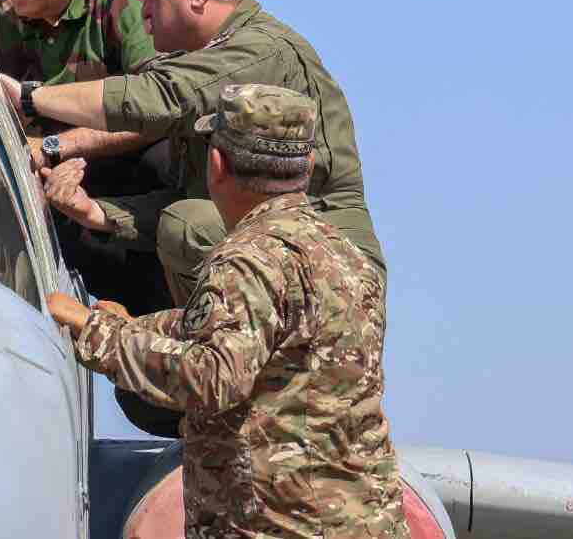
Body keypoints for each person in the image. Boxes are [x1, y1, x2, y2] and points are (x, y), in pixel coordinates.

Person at [47, 84, 406, 538]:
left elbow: (212, 376)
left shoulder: (247, 259)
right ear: (308, 165)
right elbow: (252, 331)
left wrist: (98, 332)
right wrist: (135, 326)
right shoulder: (345, 256)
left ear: (216, 164)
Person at [4, 0, 384, 305]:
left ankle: (207, 340)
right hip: (294, 254)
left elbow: (160, 97)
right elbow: (196, 197)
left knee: (186, 225)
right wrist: (97, 213)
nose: (144, 9)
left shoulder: (259, 51)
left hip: (337, 272)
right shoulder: (213, 58)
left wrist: (30, 98)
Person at [0, 0, 168, 303]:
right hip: (44, 187)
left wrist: (53, 147)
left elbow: (161, 109)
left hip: (128, 188)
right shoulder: (1, 15)